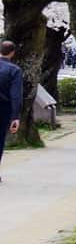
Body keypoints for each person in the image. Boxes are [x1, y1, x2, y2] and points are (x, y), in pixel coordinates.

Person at [0, 40, 24, 182]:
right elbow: (15, 94)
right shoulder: (14, 70)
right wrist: (15, 116)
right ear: (13, 52)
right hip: (3, 108)